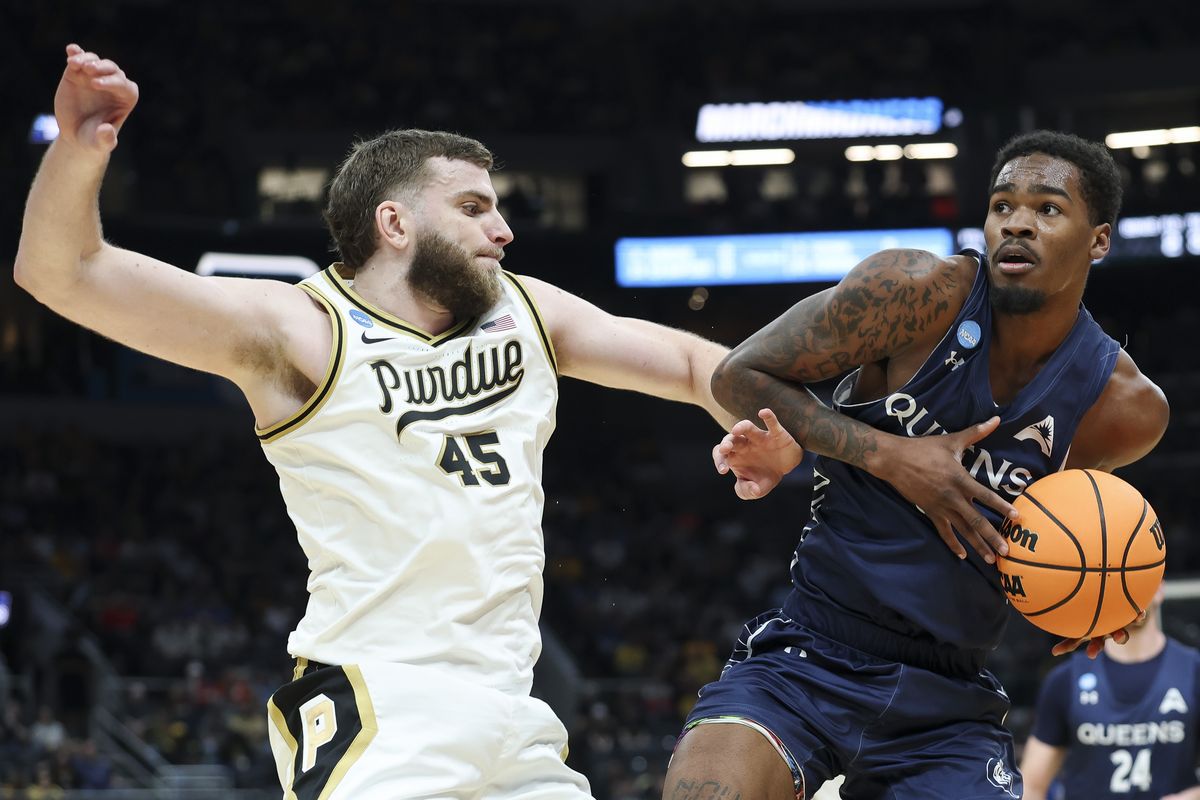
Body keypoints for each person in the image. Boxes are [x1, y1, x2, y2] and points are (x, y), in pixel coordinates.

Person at [15, 45, 762, 800]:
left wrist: (766, 426)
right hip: (380, 703)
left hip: (513, 707)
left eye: (498, 208)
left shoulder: (527, 310)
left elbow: (695, 365)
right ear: (395, 222)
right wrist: (82, 150)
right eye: (474, 208)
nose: (503, 230)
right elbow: (60, 273)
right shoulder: (300, 327)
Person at [666, 129, 1170, 799]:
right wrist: (891, 456)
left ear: (1099, 239)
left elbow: (1058, 533)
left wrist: (1098, 598)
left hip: (950, 697)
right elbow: (738, 376)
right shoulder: (914, 292)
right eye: (1002, 205)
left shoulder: (1125, 407)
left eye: (1047, 209)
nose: (1017, 222)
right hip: (811, 652)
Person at [1021, 587, 1200, 800]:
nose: (1131, 590)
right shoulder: (1065, 680)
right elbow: (1031, 786)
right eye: (1122, 581)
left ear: (1159, 588)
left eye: (1138, 579)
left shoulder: (1194, 670)